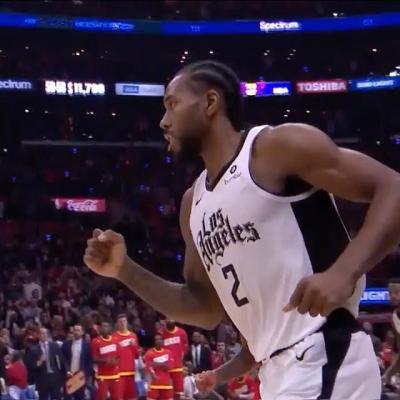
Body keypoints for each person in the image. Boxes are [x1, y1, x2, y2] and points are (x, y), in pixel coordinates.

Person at [83, 59, 400, 399]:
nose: (164, 120)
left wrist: (343, 273)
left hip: (324, 353)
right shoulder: (193, 203)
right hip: (277, 371)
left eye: (172, 104)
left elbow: (393, 188)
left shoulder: (274, 148)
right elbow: (203, 308)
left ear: (210, 102)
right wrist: (124, 270)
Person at [90, 321, 122, 400]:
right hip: (102, 376)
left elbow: (119, 356)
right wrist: (106, 361)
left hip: (115, 375)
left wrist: (116, 362)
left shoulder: (116, 340)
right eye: (103, 326)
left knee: (117, 398)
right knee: (101, 398)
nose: (105, 328)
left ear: (110, 328)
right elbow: (94, 359)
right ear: (100, 329)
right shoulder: (95, 341)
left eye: (107, 326)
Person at [159, 319, 189, 399]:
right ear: (165, 320)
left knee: (178, 393)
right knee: (166, 393)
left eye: (171, 318)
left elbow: (185, 349)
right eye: (168, 319)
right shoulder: (161, 334)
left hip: (177, 367)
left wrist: (181, 358)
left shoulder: (182, 332)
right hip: (166, 369)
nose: (170, 320)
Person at [34, 327, 66, 400]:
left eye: (45, 333)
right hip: (42, 378)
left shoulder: (54, 346)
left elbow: (61, 360)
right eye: (42, 333)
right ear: (38, 335)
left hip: (54, 377)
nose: (44, 335)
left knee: (57, 398)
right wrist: (40, 361)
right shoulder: (34, 349)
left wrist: (65, 372)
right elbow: (32, 367)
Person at [62, 323, 93, 400]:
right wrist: (67, 370)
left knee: (80, 397)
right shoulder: (66, 344)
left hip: (80, 377)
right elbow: (63, 359)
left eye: (78, 330)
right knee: (67, 397)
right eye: (75, 330)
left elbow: (89, 362)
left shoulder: (87, 346)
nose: (76, 332)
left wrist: (85, 375)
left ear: (82, 332)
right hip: (69, 376)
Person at [112, 313, 139, 400]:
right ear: (117, 324)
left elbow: (137, 355)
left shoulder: (133, 336)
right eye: (120, 321)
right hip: (118, 372)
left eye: (124, 321)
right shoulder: (113, 337)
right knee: (118, 397)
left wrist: (134, 345)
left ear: (127, 322)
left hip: (130, 371)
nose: (122, 323)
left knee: (132, 397)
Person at [144, 334, 174, 400]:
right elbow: (148, 367)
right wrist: (164, 364)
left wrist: (156, 363)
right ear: (154, 342)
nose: (159, 341)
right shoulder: (149, 353)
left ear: (163, 341)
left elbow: (170, 367)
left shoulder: (168, 352)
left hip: (166, 382)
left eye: (160, 339)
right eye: (157, 339)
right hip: (154, 383)